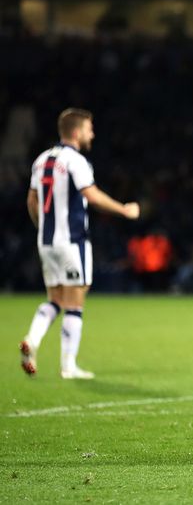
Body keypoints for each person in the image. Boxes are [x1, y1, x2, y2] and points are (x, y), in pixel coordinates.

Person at [20, 108, 140, 379]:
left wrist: (43, 228)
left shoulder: (41, 160)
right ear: (76, 132)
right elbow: (92, 195)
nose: (92, 134)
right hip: (72, 242)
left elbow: (31, 201)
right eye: (89, 129)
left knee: (54, 300)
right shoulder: (76, 161)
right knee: (75, 303)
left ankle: (32, 339)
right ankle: (68, 366)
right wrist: (124, 210)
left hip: (46, 243)